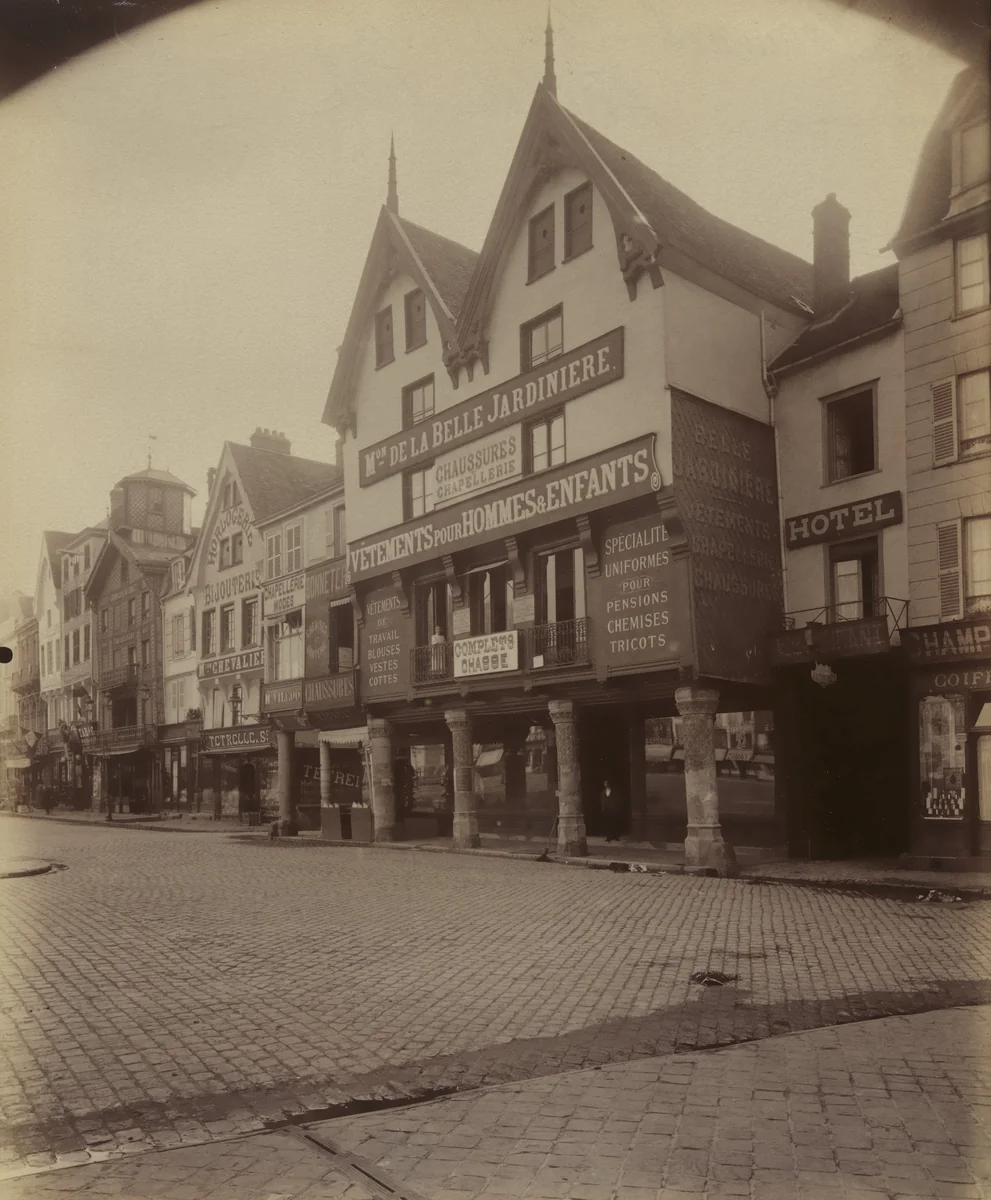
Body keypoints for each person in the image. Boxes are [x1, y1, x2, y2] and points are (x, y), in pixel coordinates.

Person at [600, 778, 623, 843]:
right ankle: (608, 837)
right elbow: (602, 801)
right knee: (607, 824)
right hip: (606, 810)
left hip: (613, 810)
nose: (605, 784)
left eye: (606, 783)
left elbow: (617, 800)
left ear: (609, 784)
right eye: (604, 783)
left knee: (615, 823)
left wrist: (616, 809)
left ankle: (616, 836)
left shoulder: (614, 791)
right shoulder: (603, 792)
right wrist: (603, 809)